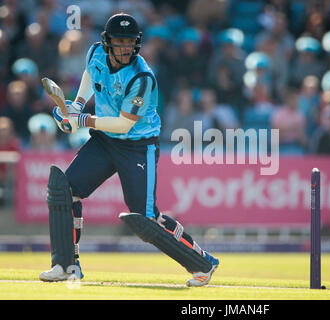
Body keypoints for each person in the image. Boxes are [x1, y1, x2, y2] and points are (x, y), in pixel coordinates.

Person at [39, 13, 219, 287]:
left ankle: (202, 262)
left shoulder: (141, 77)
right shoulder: (95, 52)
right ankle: (65, 265)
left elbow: (124, 124)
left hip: (138, 145)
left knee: (145, 217)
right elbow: (91, 73)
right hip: (105, 141)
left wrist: (81, 119)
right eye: (119, 42)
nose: (125, 48)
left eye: (130, 42)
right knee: (65, 191)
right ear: (106, 42)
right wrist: (76, 104)